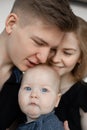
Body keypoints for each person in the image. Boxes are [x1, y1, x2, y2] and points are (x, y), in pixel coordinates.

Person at [0, 0, 78, 129]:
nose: (43, 58)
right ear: (11, 23)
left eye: (51, 49)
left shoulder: (24, 88)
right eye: (39, 42)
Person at [49, 16, 87, 130]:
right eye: (53, 49)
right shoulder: (29, 84)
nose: (56, 59)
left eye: (67, 53)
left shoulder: (84, 95)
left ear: (80, 57)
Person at [16, 64, 64, 130]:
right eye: (28, 88)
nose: (34, 95)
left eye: (44, 90)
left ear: (56, 100)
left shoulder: (49, 126)